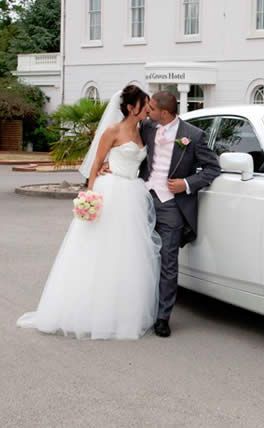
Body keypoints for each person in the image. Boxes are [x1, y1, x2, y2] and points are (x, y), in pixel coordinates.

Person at [17, 85, 162, 340]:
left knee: (127, 255)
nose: (148, 108)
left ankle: (120, 312)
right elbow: (96, 165)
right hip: (111, 191)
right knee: (97, 251)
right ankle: (87, 311)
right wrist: (90, 196)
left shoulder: (144, 130)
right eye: (144, 104)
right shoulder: (112, 131)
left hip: (133, 195)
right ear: (131, 107)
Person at [139, 91, 220, 337]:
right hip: (142, 200)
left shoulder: (193, 136)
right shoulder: (147, 128)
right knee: (139, 258)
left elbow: (212, 168)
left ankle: (162, 318)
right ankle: (139, 310)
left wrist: (185, 183)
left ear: (164, 112)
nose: (148, 111)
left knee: (168, 262)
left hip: (172, 206)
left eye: (151, 108)